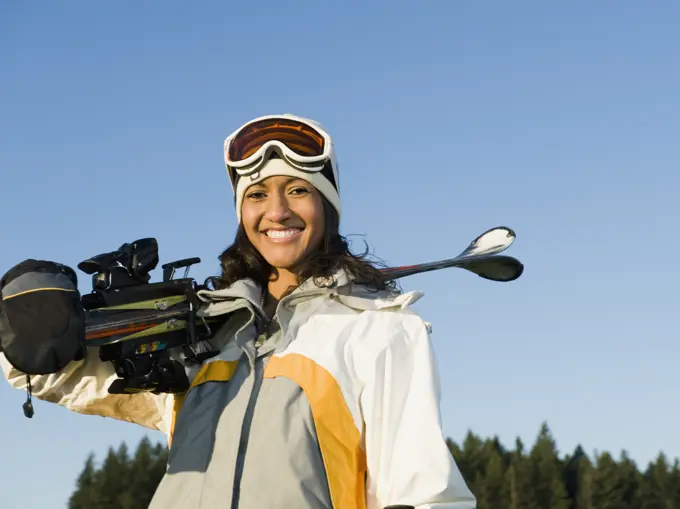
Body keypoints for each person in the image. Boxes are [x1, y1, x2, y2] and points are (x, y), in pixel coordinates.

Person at [1, 113, 476, 509]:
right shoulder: (200, 332)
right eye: (257, 194)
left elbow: (425, 493)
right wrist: (31, 322)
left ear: (327, 206)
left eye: (297, 190)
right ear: (241, 213)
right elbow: (53, 374)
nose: (277, 212)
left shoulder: (379, 331)